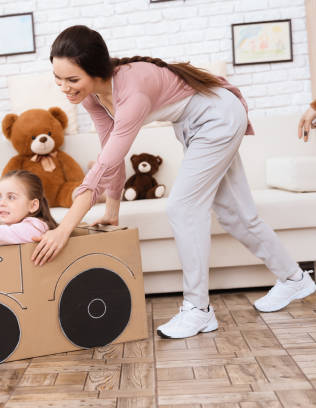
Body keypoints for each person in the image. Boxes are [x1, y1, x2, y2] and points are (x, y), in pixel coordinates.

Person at [31, 25, 315, 339]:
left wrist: (64, 227)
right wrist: (112, 211)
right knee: (236, 215)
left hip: (217, 118)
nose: (65, 88)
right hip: (199, 123)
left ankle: (198, 310)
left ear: (97, 70)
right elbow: (109, 156)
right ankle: (294, 279)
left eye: (73, 80)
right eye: (58, 79)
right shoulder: (93, 98)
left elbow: (103, 165)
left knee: (182, 208)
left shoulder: (132, 94)